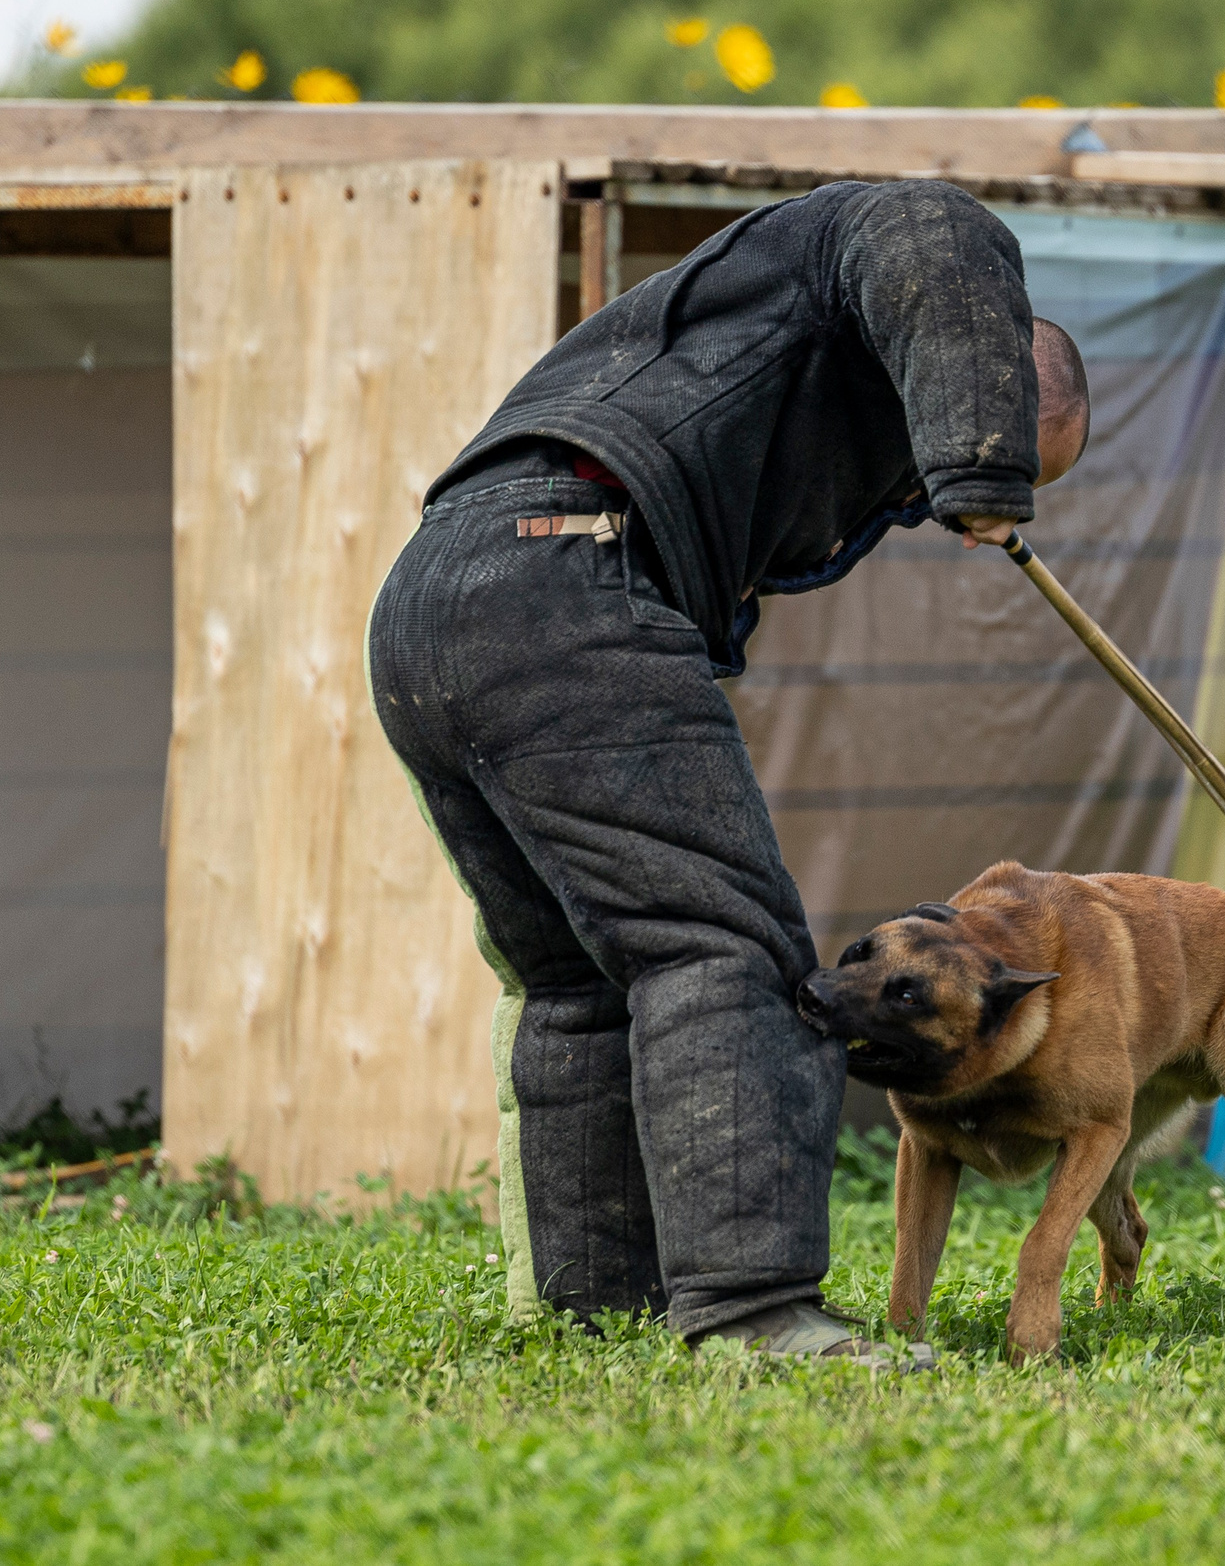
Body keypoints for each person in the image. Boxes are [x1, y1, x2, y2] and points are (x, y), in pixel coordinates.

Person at [367, 179, 1091, 1367]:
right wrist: (982, 468)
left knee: (585, 975)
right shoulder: (863, 250)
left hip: (435, 596)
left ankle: (591, 1307)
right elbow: (930, 224)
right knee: (732, 952)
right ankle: (754, 1311)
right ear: (994, 380)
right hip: (566, 571)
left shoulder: (749, 332)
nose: (915, 508)